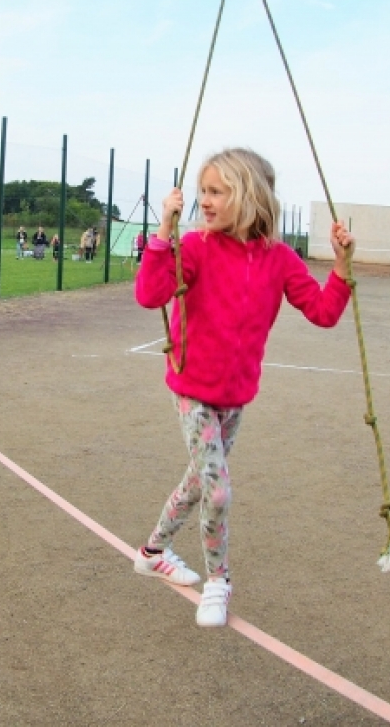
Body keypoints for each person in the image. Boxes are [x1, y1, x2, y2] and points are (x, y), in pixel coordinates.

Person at [133, 148, 354, 627]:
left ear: (248, 195)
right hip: (192, 388)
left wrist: (340, 267)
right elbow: (150, 295)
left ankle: (152, 551)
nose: (205, 201)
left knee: (199, 481)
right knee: (216, 491)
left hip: (236, 397)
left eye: (216, 192)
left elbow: (323, 312)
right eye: (202, 192)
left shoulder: (279, 259)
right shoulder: (194, 246)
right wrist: (165, 232)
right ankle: (219, 582)